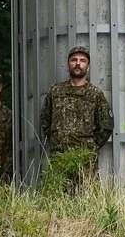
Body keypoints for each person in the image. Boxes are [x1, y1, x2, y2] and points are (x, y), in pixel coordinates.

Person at [41, 48, 113, 182]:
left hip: (84, 159)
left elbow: (106, 126)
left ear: (88, 66)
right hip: (59, 156)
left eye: (82, 61)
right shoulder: (55, 91)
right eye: (74, 60)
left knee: (86, 199)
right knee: (57, 198)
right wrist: (56, 141)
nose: (78, 63)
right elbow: (46, 120)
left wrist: (90, 146)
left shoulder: (95, 94)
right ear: (68, 65)